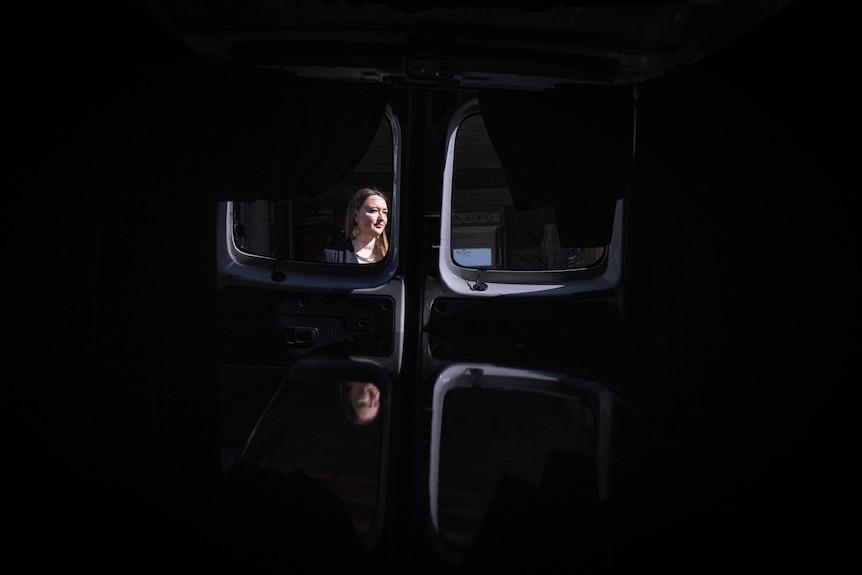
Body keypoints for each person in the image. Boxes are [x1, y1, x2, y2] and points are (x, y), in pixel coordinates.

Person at [318, 187, 389, 264]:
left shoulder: (392, 257)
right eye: (374, 211)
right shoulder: (332, 256)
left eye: (385, 212)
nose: (381, 218)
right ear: (355, 215)